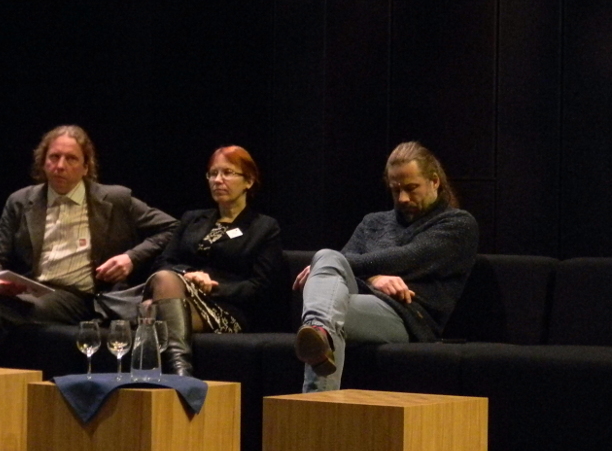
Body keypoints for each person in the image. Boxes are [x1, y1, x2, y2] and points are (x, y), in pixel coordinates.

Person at [0, 125, 177, 365]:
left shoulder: (115, 199)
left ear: (86, 167)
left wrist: (131, 258)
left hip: (75, 297)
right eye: (54, 157)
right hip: (30, 287)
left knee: (2, 308)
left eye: (71, 158)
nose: (60, 165)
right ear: (43, 162)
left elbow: (173, 228)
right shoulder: (21, 200)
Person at [291, 140, 478, 392]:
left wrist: (329, 266)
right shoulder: (373, 222)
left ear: (434, 181)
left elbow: (406, 258)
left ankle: (316, 393)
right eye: (395, 190)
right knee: (327, 268)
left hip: (408, 316)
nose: (403, 198)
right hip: (358, 299)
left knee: (326, 301)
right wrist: (374, 279)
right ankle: (318, 337)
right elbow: (340, 269)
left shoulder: (458, 225)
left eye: (411, 188)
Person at [143, 145, 283, 376]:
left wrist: (213, 287)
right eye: (213, 174)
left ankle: (172, 375)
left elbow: (261, 287)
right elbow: (162, 262)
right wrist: (190, 275)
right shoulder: (192, 219)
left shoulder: (263, 227)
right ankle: (180, 373)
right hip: (180, 296)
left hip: (228, 308)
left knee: (150, 310)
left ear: (248, 181)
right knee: (162, 285)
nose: (218, 180)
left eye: (228, 173)